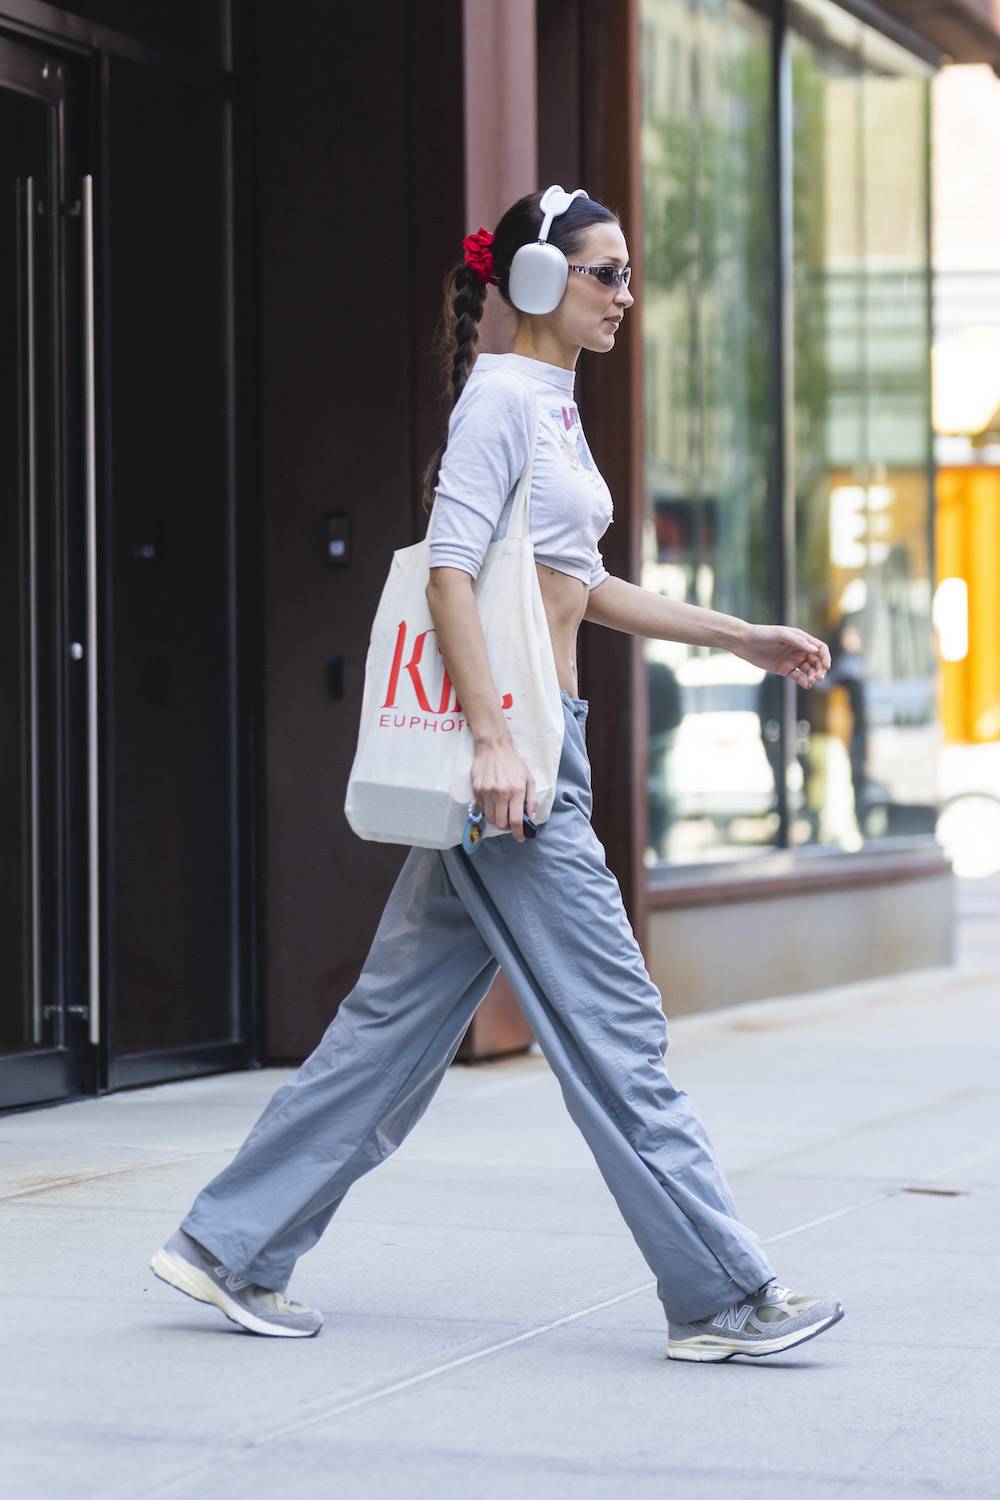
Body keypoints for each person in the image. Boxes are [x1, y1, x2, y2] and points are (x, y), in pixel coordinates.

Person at [150, 186, 844, 1363]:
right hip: (516, 768)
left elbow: (583, 585)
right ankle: (722, 1298)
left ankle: (229, 1245)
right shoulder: (499, 406)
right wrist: (490, 743)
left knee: (390, 1030)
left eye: (627, 274)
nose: (625, 295)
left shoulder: (551, 408)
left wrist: (741, 636)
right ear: (535, 282)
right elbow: (450, 577)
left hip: (534, 746)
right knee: (617, 1028)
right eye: (603, 273)